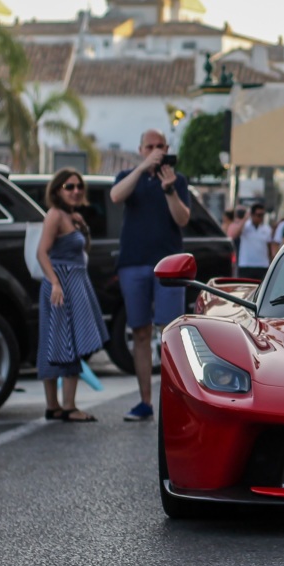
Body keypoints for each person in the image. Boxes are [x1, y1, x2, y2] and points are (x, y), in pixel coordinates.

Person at [109, 129, 192, 422]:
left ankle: (173, 403)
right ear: (141, 149)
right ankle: (145, 401)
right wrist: (143, 168)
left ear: (167, 148)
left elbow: (182, 219)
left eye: (160, 146)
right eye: (150, 146)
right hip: (134, 263)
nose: (156, 151)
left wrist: (168, 189)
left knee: (170, 334)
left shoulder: (177, 181)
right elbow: (116, 196)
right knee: (140, 332)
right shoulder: (128, 177)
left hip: (169, 265)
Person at [37, 168, 109, 423]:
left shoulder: (70, 216)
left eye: (79, 186)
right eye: (69, 186)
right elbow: (41, 253)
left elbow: (81, 251)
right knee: (65, 343)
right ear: (57, 190)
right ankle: (66, 406)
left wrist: (82, 227)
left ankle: (56, 406)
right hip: (62, 285)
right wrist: (55, 283)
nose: (76, 191)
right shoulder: (55, 215)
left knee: (61, 342)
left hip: (74, 282)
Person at [229, 202, 272, 280]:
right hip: (246, 265)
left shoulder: (267, 229)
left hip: (262, 265)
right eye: (258, 215)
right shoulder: (245, 226)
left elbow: (269, 248)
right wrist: (245, 218)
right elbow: (235, 235)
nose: (261, 218)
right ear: (252, 215)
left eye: (263, 215)